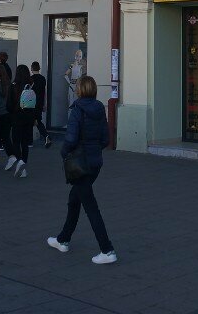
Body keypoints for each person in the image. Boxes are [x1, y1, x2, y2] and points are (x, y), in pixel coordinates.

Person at [47, 75, 116, 264]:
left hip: (80, 165)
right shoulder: (99, 109)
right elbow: (105, 139)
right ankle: (63, 239)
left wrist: (64, 153)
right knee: (74, 200)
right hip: (95, 163)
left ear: (79, 90)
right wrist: (94, 150)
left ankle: (107, 250)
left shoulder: (77, 110)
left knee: (90, 207)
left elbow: (70, 139)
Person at [10, 64, 35, 178]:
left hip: (17, 116)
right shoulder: (31, 86)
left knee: (16, 141)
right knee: (25, 143)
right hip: (28, 117)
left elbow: (9, 104)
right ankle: (23, 168)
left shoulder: (14, 86)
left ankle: (20, 160)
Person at [29, 62, 51, 148]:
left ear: (32, 68)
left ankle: (30, 142)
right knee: (37, 121)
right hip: (40, 103)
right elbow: (44, 92)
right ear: (39, 68)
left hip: (31, 103)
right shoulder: (42, 78)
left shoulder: (30, 79)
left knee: (30, 121)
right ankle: (46, 136)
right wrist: (44, 104)